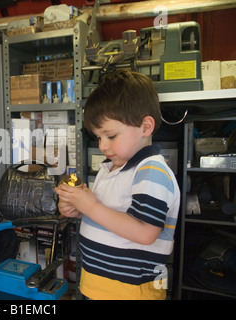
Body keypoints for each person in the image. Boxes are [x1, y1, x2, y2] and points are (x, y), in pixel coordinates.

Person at [56, 70, 180, 300]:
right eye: (98, 137)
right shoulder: (111, 168)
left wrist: (91, 206)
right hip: (97, 286)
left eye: (111, 136)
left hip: (131, 292)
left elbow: (145, 233)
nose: (102, 145)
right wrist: (80, 210)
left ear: (145, 127)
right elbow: (111, 217)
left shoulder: (152, 172)